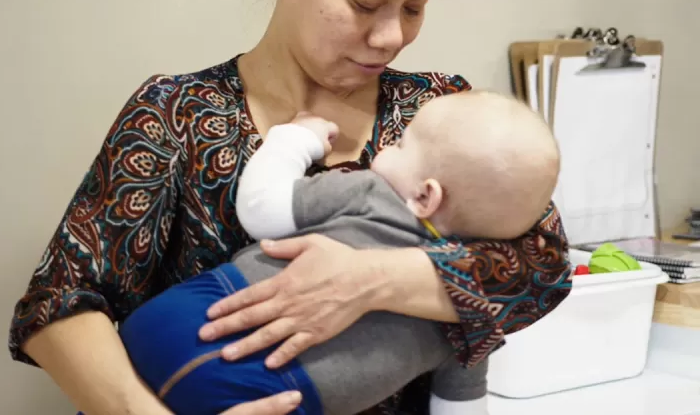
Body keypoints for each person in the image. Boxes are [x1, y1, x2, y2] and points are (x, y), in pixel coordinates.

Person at [8, 0, 573, 414]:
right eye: (364, 2)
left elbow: (546, 268)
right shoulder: (176, 116)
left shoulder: (439, 114)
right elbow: (59, 305)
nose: (391, 37)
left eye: (414, 7)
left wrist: (367, 280)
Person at [119, 90, 561, 415]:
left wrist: (295, 140)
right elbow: (460, 405)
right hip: (276, 394)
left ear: (426, 197)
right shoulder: (469, 319)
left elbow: (262, 208)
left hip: (188, 320)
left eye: (402, 145)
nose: (387, 148)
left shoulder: (371, 192)